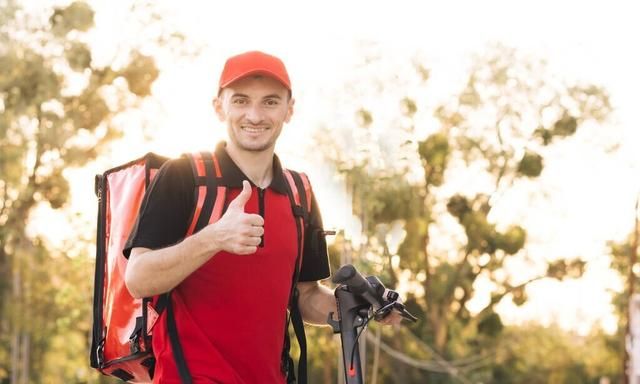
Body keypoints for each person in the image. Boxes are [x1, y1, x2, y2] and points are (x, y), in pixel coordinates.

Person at [123, 50, 401, 383]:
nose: (255, 115)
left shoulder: (300, 191)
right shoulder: (184, 176)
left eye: (270, 102)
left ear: (289, 110)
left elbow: (306, 296)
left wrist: (354, 306)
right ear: (219, 107)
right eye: (241, 101)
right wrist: (214, 237)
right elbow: (138, 278)